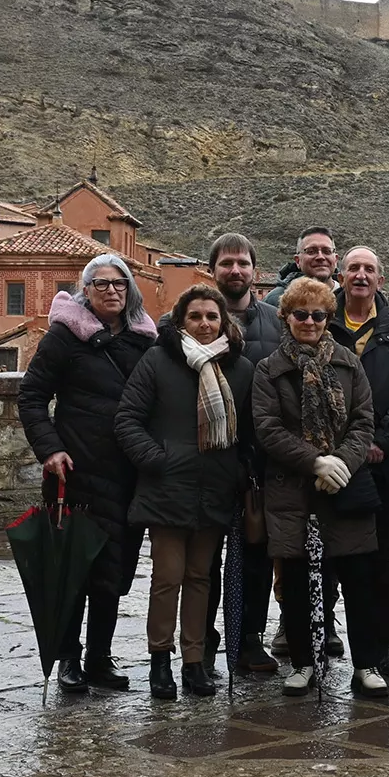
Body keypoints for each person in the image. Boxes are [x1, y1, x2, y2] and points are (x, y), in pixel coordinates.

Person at [18, 254, 157, 694]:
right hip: (76, 473)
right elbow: (32, 395)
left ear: (130, 289)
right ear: (86, 290)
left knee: (114, 572)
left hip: (128, 474)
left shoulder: (144, 341)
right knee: (74, 567)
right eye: (101, 285)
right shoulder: (64, 337)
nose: (111, 291)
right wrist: (50, 448)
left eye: (119, 284)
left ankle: (100, 656)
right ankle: (69, 659)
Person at [114, 284, 254, 700]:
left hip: (215, 489)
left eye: (213, 317)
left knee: (199, 579)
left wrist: (237, 473)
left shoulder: (241, 369)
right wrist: (159, 460)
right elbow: (127, 420)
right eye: (196, 317)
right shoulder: (157, 362)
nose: (206, 324)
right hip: (166, 490)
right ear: (181, 322)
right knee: (167, 577)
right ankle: (160, 659)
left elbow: (248, 433)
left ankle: (195, 662)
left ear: (223, 322)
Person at [251, 277, 387, 697]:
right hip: (292, 489)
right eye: (300, 314)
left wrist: (340, 464)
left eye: (318, 314)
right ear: (285, 317)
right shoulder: (268, 370)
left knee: (358, 579)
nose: (309, 321)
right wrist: (315, 462)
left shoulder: (348, 363)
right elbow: (267, 427)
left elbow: (364, 421)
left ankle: (366, 663)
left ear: (328, 318)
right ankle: (304, 663)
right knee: (295, 582)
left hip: (344, 487)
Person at [329, 246, 389, 680]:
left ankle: (379, 647)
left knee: (377, 558)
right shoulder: (319, 319)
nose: (361, 275)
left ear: (380, 281)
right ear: (340, 275)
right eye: (354, 268)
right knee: (324, 556)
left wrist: (382, 441)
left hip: (380, 462)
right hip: (327, 460)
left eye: (370, 269)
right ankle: (314, 643)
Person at [205, 232, 281, 674]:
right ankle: (206, 641)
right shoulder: (187, 320)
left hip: (261, 463)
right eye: (226, 263)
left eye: (242, 263)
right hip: (208, 462)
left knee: (257, 556)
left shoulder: (276, 322)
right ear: (212, 269)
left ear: (255, 269)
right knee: (206, 559)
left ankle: (250, 640)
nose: (235, 270)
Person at [262, 226, 338, 308]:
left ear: (336, 260)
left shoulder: (349, 296)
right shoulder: (274, 300)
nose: (320, 257)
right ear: (298, 261)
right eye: (311, 251)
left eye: (327, 251)